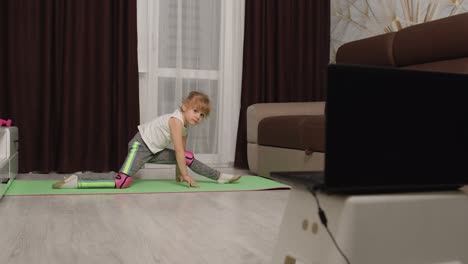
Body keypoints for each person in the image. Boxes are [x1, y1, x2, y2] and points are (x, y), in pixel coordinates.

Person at [52, 91, 241, 189]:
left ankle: (219, 177)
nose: (198, 116)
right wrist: (186, 175)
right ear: (184, 107)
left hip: (154, 151)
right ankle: (78, 180)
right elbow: (177, 148)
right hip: (140, 145)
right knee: (121, 182)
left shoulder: (185, 126)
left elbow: (180, 153)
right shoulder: (176, 121)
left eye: (202, 115)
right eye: (195, 111)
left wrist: (180, 175)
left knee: (187, 156)